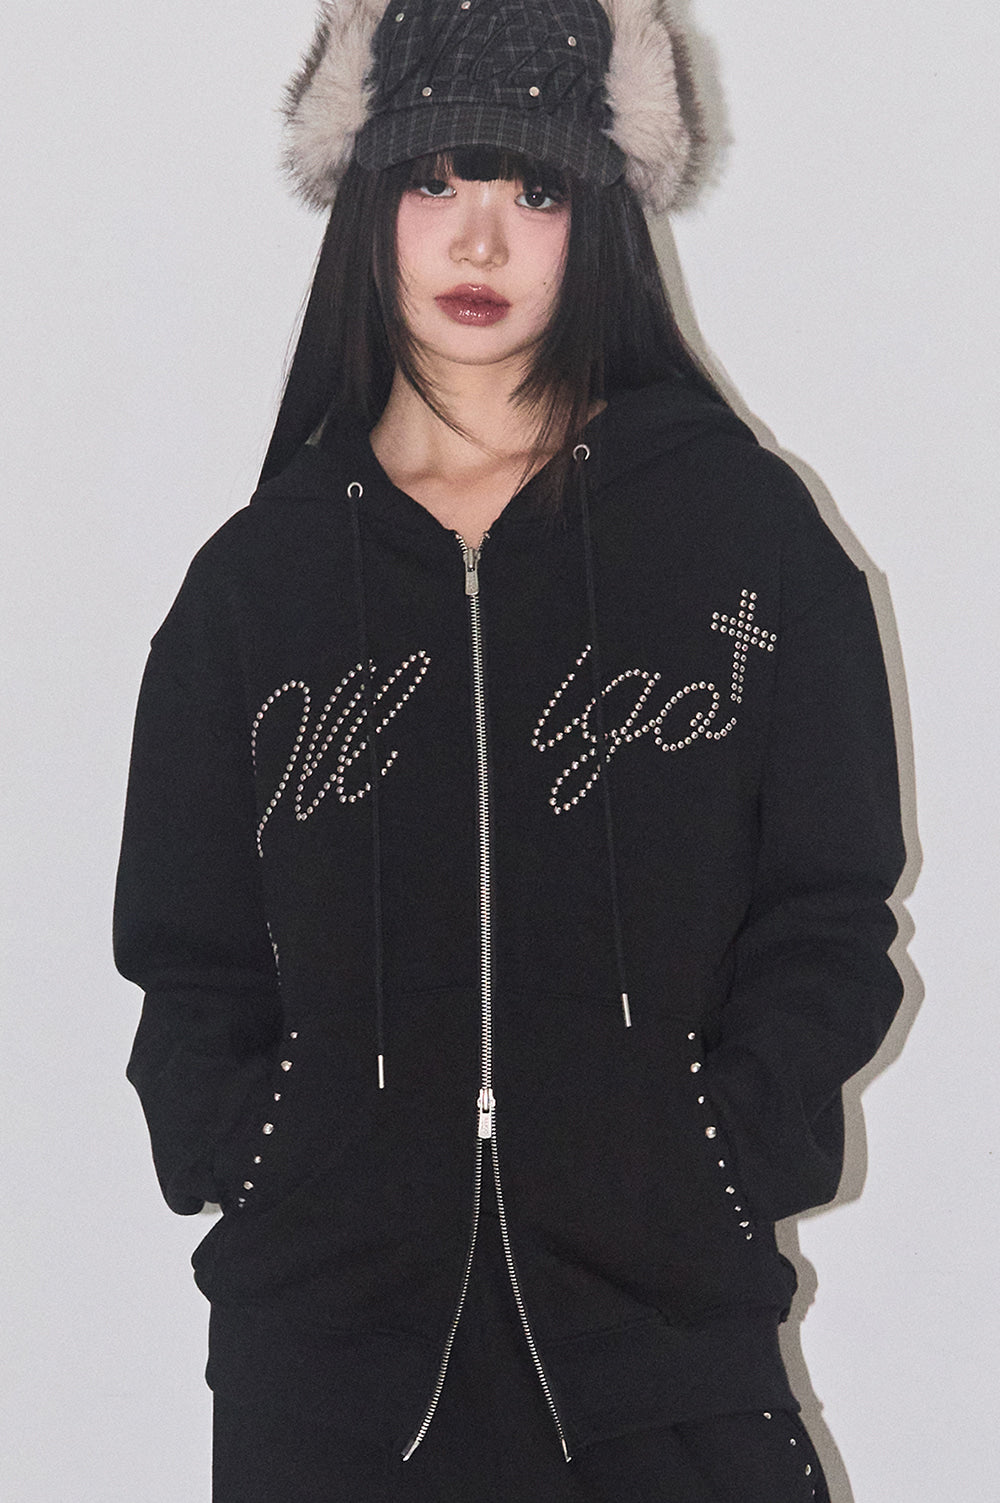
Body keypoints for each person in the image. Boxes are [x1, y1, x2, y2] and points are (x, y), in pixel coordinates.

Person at [114, 3, 907, 1500]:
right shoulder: (259, 584)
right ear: (367, 205)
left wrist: (716, 1150)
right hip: (332, 1384)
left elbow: (830, 908)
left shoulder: (742, 539)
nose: (479, 238)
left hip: (662, 1353)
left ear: (600, 216)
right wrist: (260, 1152)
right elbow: (188, 953)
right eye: (435, 182)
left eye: (534, 190)